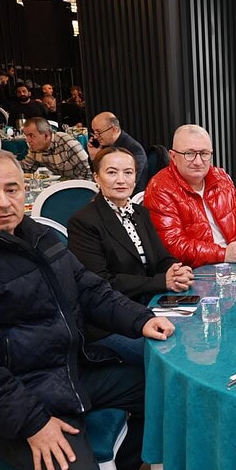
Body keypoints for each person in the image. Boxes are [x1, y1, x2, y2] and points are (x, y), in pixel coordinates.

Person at [0, 149, 175, 470]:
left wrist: (141, 319)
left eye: (12, 189)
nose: (3, 202)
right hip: (17, 397)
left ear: (24, 191)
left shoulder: (37, 235)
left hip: (67, 373)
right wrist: (33, 423)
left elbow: (89, 288)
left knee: (161, 390)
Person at [68, 147, 193, 364]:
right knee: (175, 351)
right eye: (112, 172)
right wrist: (161, 281)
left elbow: (161, 257)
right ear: (96, 177)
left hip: (151, 304)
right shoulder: (84, 222)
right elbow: (100, 284)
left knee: (198, 331)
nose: (121, 180)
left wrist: (176, 270)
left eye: (128, 172)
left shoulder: (140, 213)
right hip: (111, 320)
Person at [144, 124, 236, 268]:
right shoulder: (159, 188)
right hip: (195, 271)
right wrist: (223, 254)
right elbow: (174, 245)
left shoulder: (221, 177)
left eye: (204, 153)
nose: (198, 162)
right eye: (189, 154)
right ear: (173, 156)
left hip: (235, 262)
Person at [87, 112, 149, 193]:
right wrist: (94, 156)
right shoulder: (105, 146)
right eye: (94, 132)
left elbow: (128, 183)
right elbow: (98, 177)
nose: (95, 137)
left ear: (114, 130)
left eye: (99, 132)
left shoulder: (134, 150)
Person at [20, 117, 93, 180]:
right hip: (60, 184)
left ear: (46, 135)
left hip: (79, 184)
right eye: (26, 136)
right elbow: (26, 168)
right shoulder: (35, 147)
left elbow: (88, 172)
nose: (28, 140)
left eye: (31, 136)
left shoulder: (67, 144)